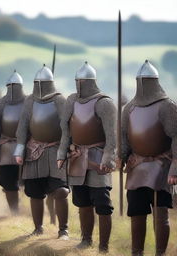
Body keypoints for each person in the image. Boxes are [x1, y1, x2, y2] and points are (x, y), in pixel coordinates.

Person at [57, 61, 116, 252]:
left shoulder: (104, 103)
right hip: (77, 156)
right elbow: (66, 130)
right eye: (77, 81)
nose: (78, 84)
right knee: (82, 201)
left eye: (81, 81)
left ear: (88, 81)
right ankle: (86, 240)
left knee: (102, 203)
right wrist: (61, 153)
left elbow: (111, 136)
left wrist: (108, 158)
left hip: (98, 158)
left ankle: (104, 246)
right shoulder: (71, 101)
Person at [121, 60, 177, 256]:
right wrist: (121, 158)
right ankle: (137, 253)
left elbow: (175, 137)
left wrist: (174, 167)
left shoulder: (167, 106)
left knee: (160, 213)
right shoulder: (129, 108)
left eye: (147, 80)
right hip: (136, 166)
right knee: (137, 212)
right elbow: (125, 138)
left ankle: (160, 254)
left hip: (162, 166)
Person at [14, 65, 69, 239]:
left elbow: (67, 127)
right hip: (33, 151)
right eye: (37, 83)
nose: (40, 86)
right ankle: (38, 228)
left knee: (61, 191)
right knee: (34, 192)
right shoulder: (30, 101)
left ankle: (63, 230)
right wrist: (20, 149)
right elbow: (22, 126)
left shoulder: (60, 100)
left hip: (55, 150)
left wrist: (65, 148)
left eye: (42, 83)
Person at [0, 70, 25, 214]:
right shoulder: (0, 104)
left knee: (29, 182)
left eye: (15, 86)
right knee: (8, 183)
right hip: (5, 149)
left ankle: (27, 209)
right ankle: (14, 211)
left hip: (26, 147)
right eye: (11, 86)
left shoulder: (29, 102)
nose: (13, 89)